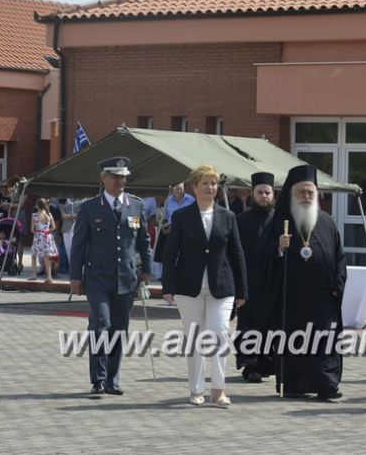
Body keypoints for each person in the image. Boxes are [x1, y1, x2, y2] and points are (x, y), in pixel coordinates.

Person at [255, 164, 347, 400]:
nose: (306, 197)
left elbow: (339, 257)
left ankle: (327, 384)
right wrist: (278, 247)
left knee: (324, 340)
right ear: (292, 194)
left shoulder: (327, 222)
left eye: (310, 192)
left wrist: (338, 284)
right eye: (301, 192)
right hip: (291, 295)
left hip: (323, 296)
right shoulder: (280, 222)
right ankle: (294, 383)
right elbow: (261, 256)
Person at [162, 164, 247, 406]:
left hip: (222, 288)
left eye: (214, 183)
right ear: (194, 187)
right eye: (206, 183)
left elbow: (237, 254)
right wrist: (168, 286)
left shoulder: (228, 216)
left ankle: (218, 389)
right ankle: (196, 389)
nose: (211, 188)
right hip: (189, 288)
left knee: (220, 335)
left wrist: (242, 290)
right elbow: (170, 254)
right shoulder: (181, 216)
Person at [71, 156, 151, 396]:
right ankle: (98, 378)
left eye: (123, 177)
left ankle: (112, 380)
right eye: (115, 177)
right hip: (97, 278)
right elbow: (79, 244)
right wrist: (75, 277)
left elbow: (144, 241)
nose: (120, 181)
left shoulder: (136, 205)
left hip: (126, 278)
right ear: (103, 178)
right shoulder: (90, 207)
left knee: (118, 329)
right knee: (100, 324)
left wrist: (146, 271)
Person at [235, 172, 276, 383]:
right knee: (249, 324)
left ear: (273, 194)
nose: (264, 196)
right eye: (260, 192)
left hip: (272, 282)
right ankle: (250, 366)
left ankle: (267, 363)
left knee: (270, 324)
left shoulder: (280, 220)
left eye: (267, 193)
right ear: (253, 194)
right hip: (249, 282)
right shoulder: (241, 221)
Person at [29, 198, 58, 284]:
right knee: (47, 257)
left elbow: (31, 229)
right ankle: (49, 276)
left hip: (38, 236)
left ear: (37, 206)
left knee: (34, 255)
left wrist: (38, 231)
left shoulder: (34, 215)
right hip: (47, 236)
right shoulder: (49, 215)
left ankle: (34, 275)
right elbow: (53, 227)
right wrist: (47, 231)